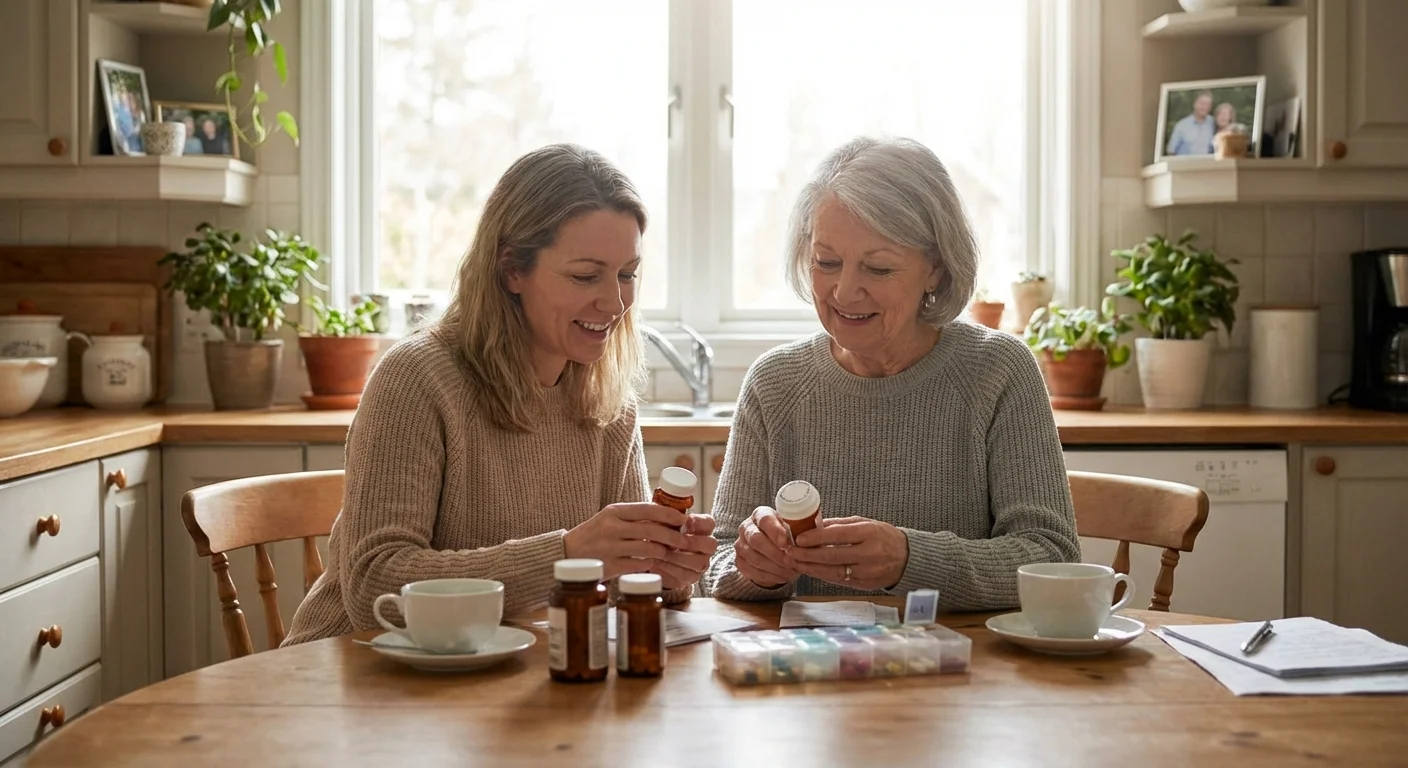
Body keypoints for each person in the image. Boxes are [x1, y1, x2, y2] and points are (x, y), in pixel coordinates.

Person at [284, 144, 718, 645]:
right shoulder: (418, 380)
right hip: (357, 677)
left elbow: (620, 585)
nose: (615, 301)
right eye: (585, 275)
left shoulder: (608, 402)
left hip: (506, 679)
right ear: (512, 269)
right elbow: (373, 586)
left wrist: (667, 574)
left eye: (627, 274)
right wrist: (568, 554)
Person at [705, 136, 1080, 611]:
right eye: (826, 262)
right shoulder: (774, 383)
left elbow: (1053, 559)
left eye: (878, 268)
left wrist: (909, 560)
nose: (844, 291)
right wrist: (754, 568)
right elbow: (715, 564)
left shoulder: (998, 372)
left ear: (936, 271)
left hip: (961, 672)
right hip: (807, 675)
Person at [1166, 90, 1216, 156]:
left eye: (1208, 104)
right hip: (1185, 165)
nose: (1204, 107)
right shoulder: (1182, 125)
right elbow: (1171, 151)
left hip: (1207, 165)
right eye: (1202, 103)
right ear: (1194, 104)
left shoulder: (1213, 123)